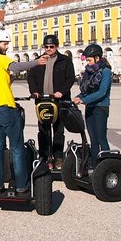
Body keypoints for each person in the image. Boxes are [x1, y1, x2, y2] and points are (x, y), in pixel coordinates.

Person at [0, 30, 48, 195]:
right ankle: (21, 186)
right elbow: (16, 67)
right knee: (17, 147)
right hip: (6, 108)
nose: (6, 47)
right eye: (4, 44)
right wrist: (36, 62)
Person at [27, 34, 75, 169]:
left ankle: (58, 156)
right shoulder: (38, 61)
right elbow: (31, 78)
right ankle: (44, 156)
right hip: (42, 101)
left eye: (51, 46)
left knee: (59, 130)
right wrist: (34, 92)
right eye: (46, 46)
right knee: (43, 130)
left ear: (56, 46)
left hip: (60, 101)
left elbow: (70, 78)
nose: (48, 49)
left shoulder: (64, 61)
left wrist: (62, 92)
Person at [73, 44, 113, 171]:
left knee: (101, 138)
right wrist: (78, 97)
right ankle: (94, 166)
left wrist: (83, 100)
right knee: (93, 139)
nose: (88, 63)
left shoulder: (106, 72)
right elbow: (86, 91)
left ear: (97, 58)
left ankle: (107, 165)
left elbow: (102, 92)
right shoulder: (89, 72)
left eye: (89, 60)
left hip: (101, 108)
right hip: (90, 108)